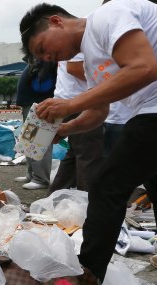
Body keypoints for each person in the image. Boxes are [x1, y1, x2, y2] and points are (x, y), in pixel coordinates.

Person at [20, 0, 157, 280]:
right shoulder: (90, 59)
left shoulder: (106, 17)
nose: (48, 57)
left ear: (56, 21)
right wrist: (65, 129)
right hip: (153, 109)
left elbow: (144, 68)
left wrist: (70, 103)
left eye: (42, 48)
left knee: (106, 187)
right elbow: (100, 111)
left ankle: (87, 277)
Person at [48, 53, 106, 193]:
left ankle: (55, 197)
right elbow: (74, 68)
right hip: (79, 101)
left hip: (72, 100)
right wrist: (107, 81)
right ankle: (87, 202)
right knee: (88, 155)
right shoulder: (80, 40)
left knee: (74, 153)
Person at [14, 57, 57, 190]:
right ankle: (32, 174)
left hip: (40, 103)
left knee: (39, 141)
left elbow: (45, 83)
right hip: (32, 103)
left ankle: (41, 178)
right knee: (29, 141)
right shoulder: (38, 60)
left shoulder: (48, 60)